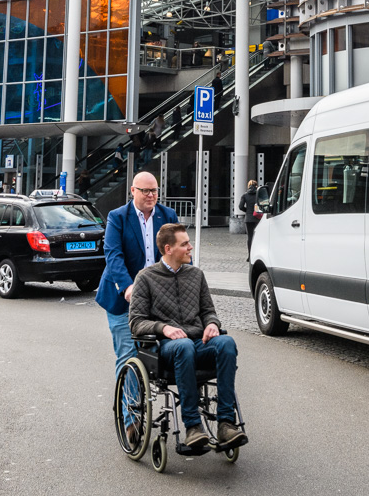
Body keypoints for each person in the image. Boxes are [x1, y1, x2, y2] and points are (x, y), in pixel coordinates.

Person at [128, 222, 240, 452]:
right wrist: (164, 328)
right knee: (184, 346)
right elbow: (136, 322)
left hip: (198, 342)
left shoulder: (196, 275)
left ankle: (226, 424)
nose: (190, 247)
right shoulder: (145, 278)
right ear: (168, 249)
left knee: (226, 343)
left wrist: (212, 324)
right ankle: (193, 427)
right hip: (168, 348)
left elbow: (208, 311)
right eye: (185, 244)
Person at [97, 171, 178, 383]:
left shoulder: (168, 216)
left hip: (157, 299)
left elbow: (178, 253)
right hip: (123, 299)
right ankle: (129, 405)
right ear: (133, 191)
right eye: (145, 191)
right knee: (128, 354)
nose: (151, 195)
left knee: (156, 354)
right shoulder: (118, 217)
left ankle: (145, 396)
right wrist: (127, 286)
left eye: (154, 191)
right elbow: (113, 255)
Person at [241, 178, 261, 247]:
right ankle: (257, 251)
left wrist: (247, 210)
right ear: (256, 186)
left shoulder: (245, 195)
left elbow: (240, 206)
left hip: (248, 218)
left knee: (250, 237)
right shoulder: (259, 195)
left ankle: (250, 252)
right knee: (258, 236)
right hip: (257, 218)